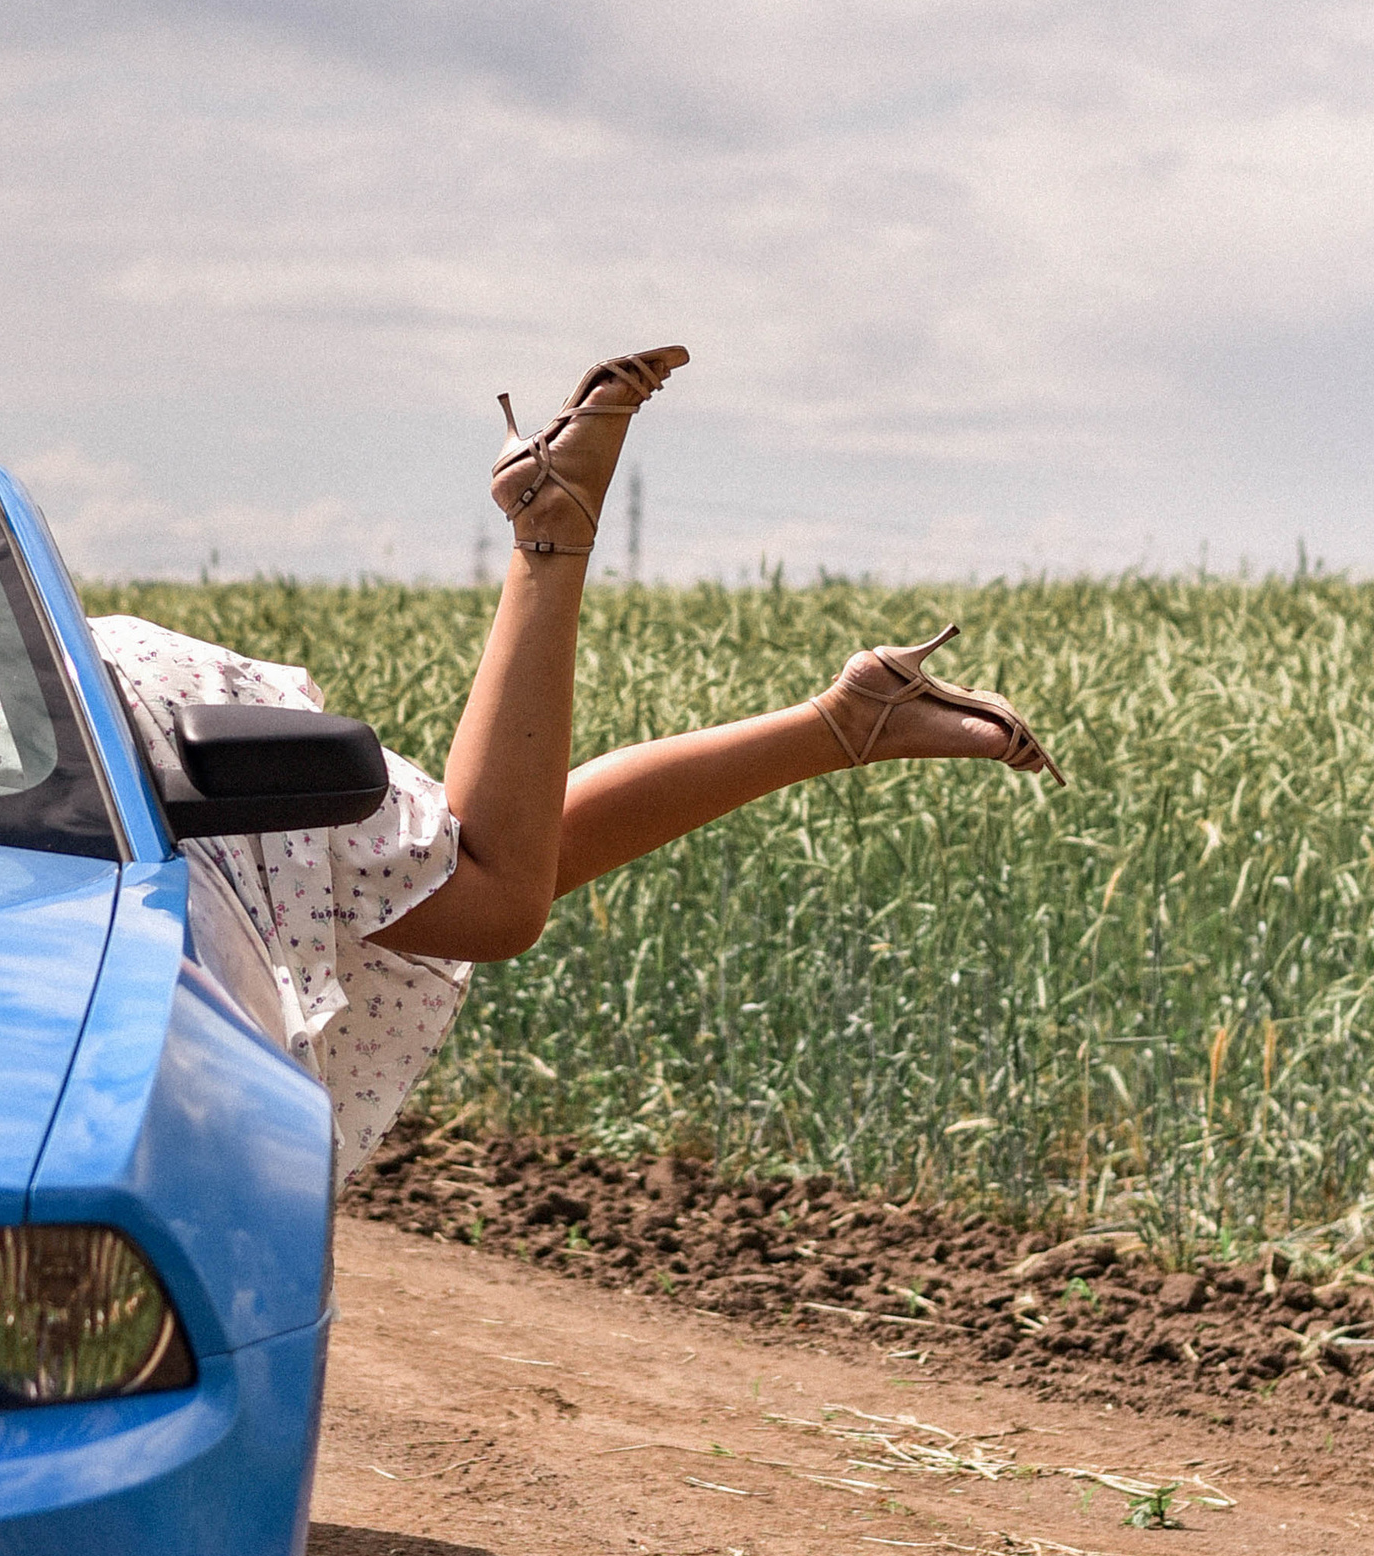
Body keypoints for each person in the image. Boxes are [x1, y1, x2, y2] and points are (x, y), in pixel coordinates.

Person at [90, 348, 1061, 1187]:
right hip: (92, 685)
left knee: (485, 887)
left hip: (102, 717)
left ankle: (552, 535)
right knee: (480, 863)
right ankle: (847, 723)